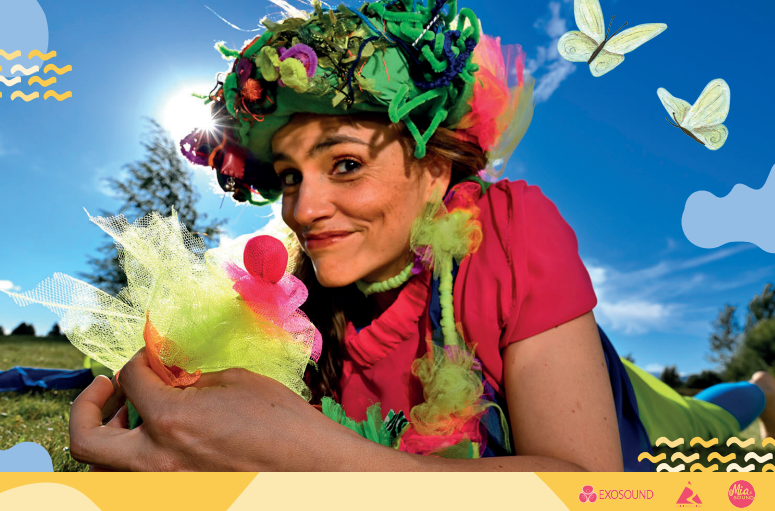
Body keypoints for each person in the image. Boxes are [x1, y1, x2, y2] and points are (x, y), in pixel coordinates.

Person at [69, 0, 775, 471]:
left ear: (434, 171)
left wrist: (306, 457)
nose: (303, 209)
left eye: (346, 164)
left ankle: (759, 388)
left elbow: (583, 481)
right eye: (287, 177)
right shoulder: (295, 306)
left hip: (633, 409)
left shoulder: (511, 227)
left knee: (719, 416)